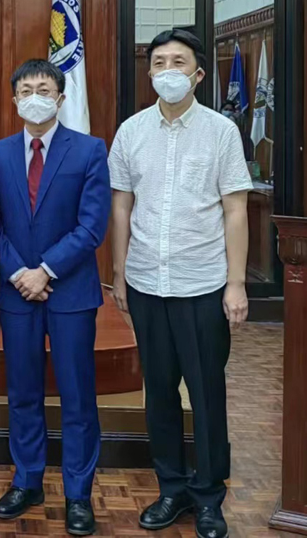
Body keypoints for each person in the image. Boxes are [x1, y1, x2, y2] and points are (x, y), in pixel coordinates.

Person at [109, 29, 252, 538]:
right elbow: (121, 207)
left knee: (207, 393)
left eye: (179, 62)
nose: (168, 71)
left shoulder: (221, 132)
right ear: (149, 72)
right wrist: (119, 274)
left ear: (198, 74)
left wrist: (236, 283)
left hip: (203, 283)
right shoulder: (131, 131)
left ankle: (209, 496)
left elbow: (236, 211)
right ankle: (171, 487)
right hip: (146, 282)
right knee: (160, 394)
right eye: (159, 62)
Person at [0, 59, 110, 536]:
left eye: (44, 89)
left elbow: (92, 225)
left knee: (77, 396)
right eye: (26, 90)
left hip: (70, 291)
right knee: (22, 392)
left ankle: (78, 494)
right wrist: (20, 271)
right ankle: (27, 480)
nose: (34, 97)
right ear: (14, 99)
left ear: (60, 98)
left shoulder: (89, 150)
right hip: (16, 290)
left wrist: (46, 270)